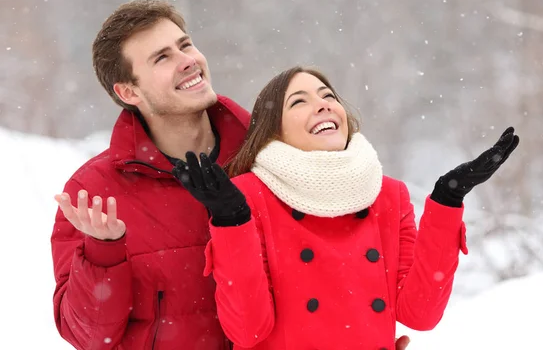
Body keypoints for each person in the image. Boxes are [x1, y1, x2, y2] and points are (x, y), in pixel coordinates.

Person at [173, 66, 519, 349]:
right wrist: (232, 220)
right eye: (299, 102)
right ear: (273, 132)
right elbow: (247, 329)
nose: (322, 105)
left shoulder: (389, 195)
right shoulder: (247, 197)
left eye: (327, 96)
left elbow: (420, 313)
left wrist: (447, 200)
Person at [50, 0, 250, 349]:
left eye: (185, 45)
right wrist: (103, 252)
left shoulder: (266, 155)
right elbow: (89, 337)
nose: (188, 60)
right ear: (129, 92)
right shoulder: (94, 192)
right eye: (162, 57)